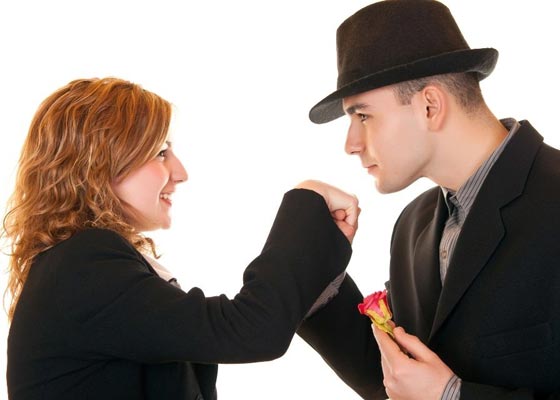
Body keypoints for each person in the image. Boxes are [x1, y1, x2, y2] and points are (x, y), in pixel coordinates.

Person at [297, 1, 560, 399]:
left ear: (430, 106)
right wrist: (317, 272)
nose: (351, 144)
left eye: (363, 116)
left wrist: (453, 397)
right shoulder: (413, 224)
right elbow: (400, 382)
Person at [2, 77, 360, 400]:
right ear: (100, 163)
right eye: (160, 152)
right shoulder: (83, 261)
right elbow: (251, 330)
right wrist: (306, 201)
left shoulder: (78, 266)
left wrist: (315, 248)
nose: (180, 172)